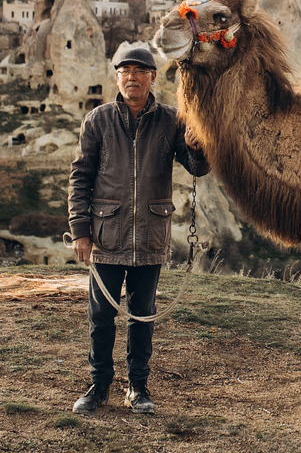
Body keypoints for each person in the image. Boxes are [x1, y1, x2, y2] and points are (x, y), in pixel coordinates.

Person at [68, 47, 211, 415]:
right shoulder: (97, 121)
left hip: (149, 234)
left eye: (139, 71)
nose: (132, 77)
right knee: (101, 316)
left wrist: (200, 146)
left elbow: (196, 167)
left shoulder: (172, 121)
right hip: (106, 236)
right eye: (125, 71)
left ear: (152, 78)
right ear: (117, 77)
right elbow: (80, 178)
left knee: (142, 315)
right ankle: (98, 386)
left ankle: (138, 387)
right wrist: (80, 230)